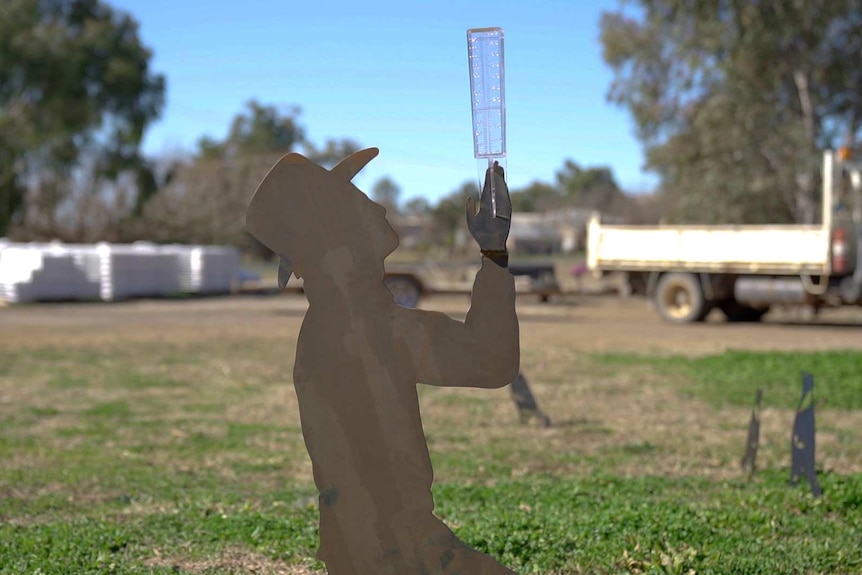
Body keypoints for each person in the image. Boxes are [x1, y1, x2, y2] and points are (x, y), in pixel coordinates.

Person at [246, 148, 520, 574]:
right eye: (352, 199)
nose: (377, 204)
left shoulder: (337, 322)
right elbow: (491, 359)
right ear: (334, 238)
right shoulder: (364, 327)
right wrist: (493, 252)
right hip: (395, 552)